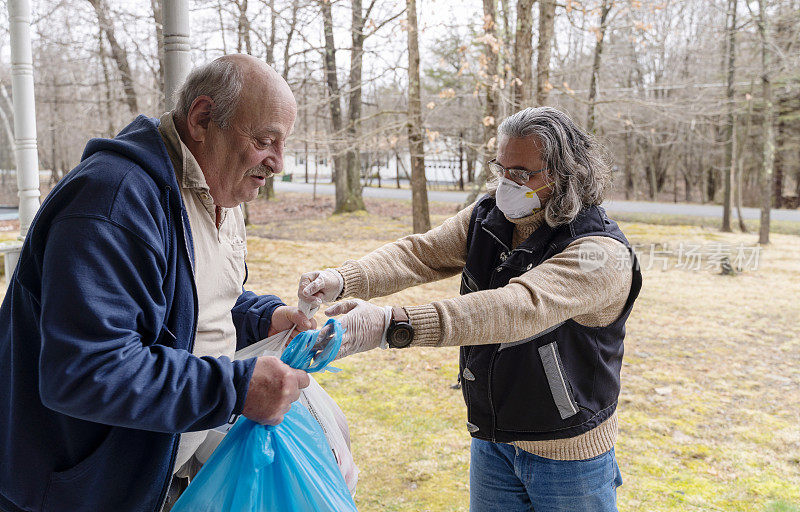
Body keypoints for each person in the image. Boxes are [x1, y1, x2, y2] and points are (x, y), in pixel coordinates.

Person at [0, 55, 313, 512]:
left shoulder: (213, 189)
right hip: (82, 491)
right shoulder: (114, 200)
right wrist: (235, 389)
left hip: (153, 472)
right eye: (265, 140)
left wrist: (261, 317)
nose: (278, 163)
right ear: (203, 118)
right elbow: (86, 371)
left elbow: (184, 298)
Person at [299, 107, 642, 512]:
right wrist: (344, 278)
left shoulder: (600, 253)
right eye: (501, 168)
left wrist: (391, 325)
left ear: (565, 174)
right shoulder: (490, 217)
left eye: (521, 173)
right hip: (493, 438)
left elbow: (517, 308)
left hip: (569, 454)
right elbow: (420, 254)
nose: (506, 183)